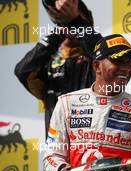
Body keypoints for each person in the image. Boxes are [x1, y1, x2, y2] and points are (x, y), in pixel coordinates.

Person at [43, 34, 131, 171]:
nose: (126, 68)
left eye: (129, 63)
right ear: (97, 66)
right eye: (118, 61)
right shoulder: (67, 104)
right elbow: (51, 157)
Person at [14, 0, 102, 137]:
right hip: (57, 152)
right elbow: (22, 71)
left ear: (88, 24)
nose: (71, 26)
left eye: (74, 19)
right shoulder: (46, 66)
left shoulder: (97, 61)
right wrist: (58, 33)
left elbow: (105, 56)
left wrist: (76, 21)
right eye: (65, 21)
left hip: (92, 148)